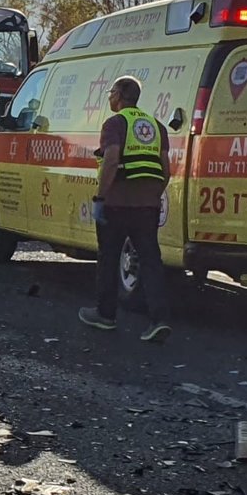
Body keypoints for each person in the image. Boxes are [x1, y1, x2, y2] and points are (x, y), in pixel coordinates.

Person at [78, 75, 172, 342]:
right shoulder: (156, 127)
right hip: (148, 206)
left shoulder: (115, 124)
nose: (109, 96)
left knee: (108, 257)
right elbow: (166, 170)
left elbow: (110, 161)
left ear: (119, 95)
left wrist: (100, 198)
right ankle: (159, 320)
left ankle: (105, 315)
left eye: (111, 92)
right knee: (151, 261)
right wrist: (153, 195)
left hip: (117, 204)